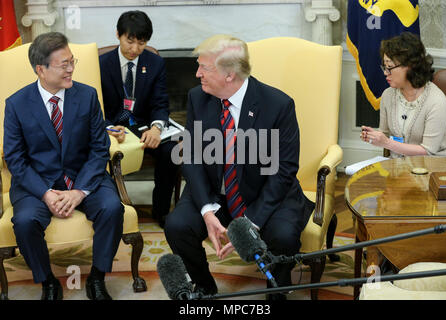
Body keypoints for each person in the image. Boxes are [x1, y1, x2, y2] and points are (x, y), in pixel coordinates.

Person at [164, 35, 315, 300]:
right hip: (217, 193)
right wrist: (207, 210)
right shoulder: (198, 98)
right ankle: (205, 287)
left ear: (229, 75)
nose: (197, 73)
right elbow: (191, 156)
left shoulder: (278, 105)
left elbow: (284, 171)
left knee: (283, 236)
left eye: (204, 68)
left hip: (266, 193)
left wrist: (250, 222)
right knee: (177, 225)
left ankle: (276, 291)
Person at [3, 32, 124, 300]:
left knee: (112, 207)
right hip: (38, 183)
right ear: (41, 70)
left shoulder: (88, 96)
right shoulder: (16, 104)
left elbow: (99, 148)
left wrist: (79, 191)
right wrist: (46, 194)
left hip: (83, 177)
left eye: (72, 61)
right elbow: (15, 159)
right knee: (24, 221)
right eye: (63, 64)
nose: (71, 69)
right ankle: (47, 281)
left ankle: (97, 277)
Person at [99, 10, 179, 227]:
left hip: (142, 125)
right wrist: (109, 127)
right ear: (118, 35)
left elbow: (160, 102)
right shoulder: (100, 64)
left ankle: (161, 211)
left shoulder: (154, 63)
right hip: (114, 127)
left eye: (141, 43)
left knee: (172, 151)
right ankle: (111, 211)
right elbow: (94, 107)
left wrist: (155, 128)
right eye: (130, 41)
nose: (135, 49)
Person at [361, 32, 446, 158]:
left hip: (431, 169)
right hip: (397, 168)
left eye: (390, 67)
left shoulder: (436, 100)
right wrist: (373, 137)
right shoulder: (388, 95)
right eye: (384, 67)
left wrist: (387, 142)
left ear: (410, 66)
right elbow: (385, 135)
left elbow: (428, 151)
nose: (386, 73)